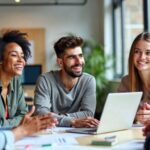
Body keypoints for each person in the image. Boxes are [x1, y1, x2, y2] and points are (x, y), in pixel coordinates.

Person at [34, 36, 99, 127]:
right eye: (72, 57)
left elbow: (88, 114)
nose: (79, 61)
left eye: (80, 56)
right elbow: (41, 113)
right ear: (60, 62)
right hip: (50, 132)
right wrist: (73, 121)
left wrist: (56, 117)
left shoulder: (88, 81)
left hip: (76, 132)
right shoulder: (45, 80)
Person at [0, 30, 31, 127]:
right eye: (14, 55)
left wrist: (4, 124)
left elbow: (23, 114)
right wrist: (14, 123)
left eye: (22, 56)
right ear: (1, 59)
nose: (21, 60)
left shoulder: (16, 82)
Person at [117, 32, 150, 124]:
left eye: (148, 53)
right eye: (137, 52)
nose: (142, 57)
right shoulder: (126, 81)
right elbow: (117, 115)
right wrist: (136, 117)